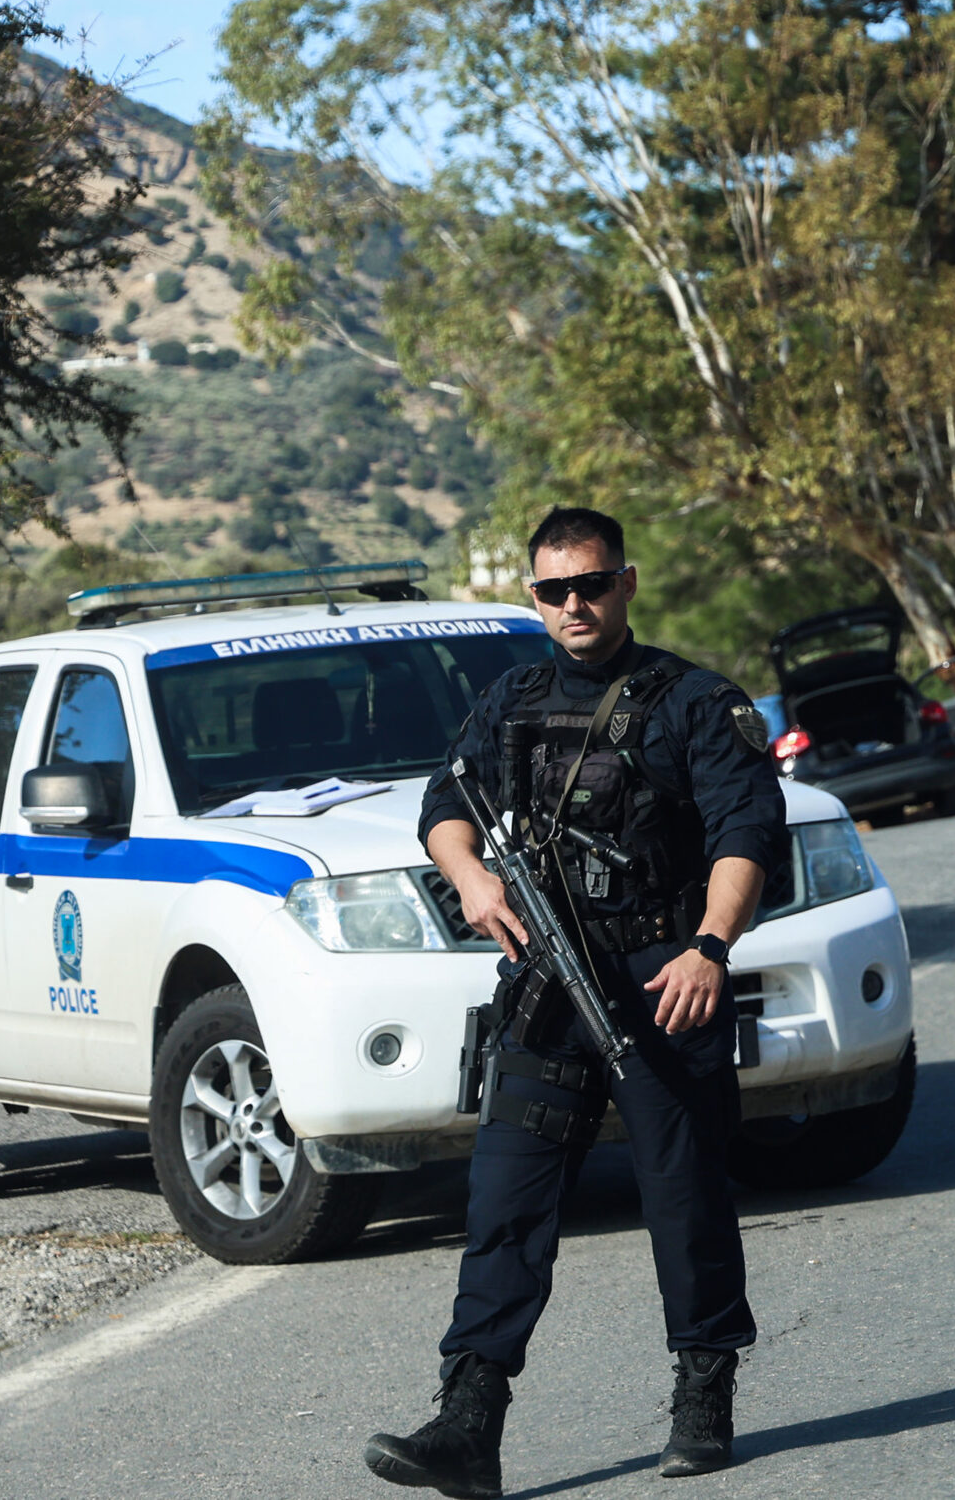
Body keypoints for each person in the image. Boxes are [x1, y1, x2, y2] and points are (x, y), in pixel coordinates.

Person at [365, 507, 788, 1495]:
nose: (575, 605)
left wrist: (711, 947)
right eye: (554, 590)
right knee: (504, 1201)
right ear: (535, 597)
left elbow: (747, 833)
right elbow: (445, 806)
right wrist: (473, 879)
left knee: (684, 1194)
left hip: (662, 977)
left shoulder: (693, 701)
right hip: (547, 983)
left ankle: (703, 1389)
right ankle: (468, 1422)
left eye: (591, 584)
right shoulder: (511, 698)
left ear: (625, 583)